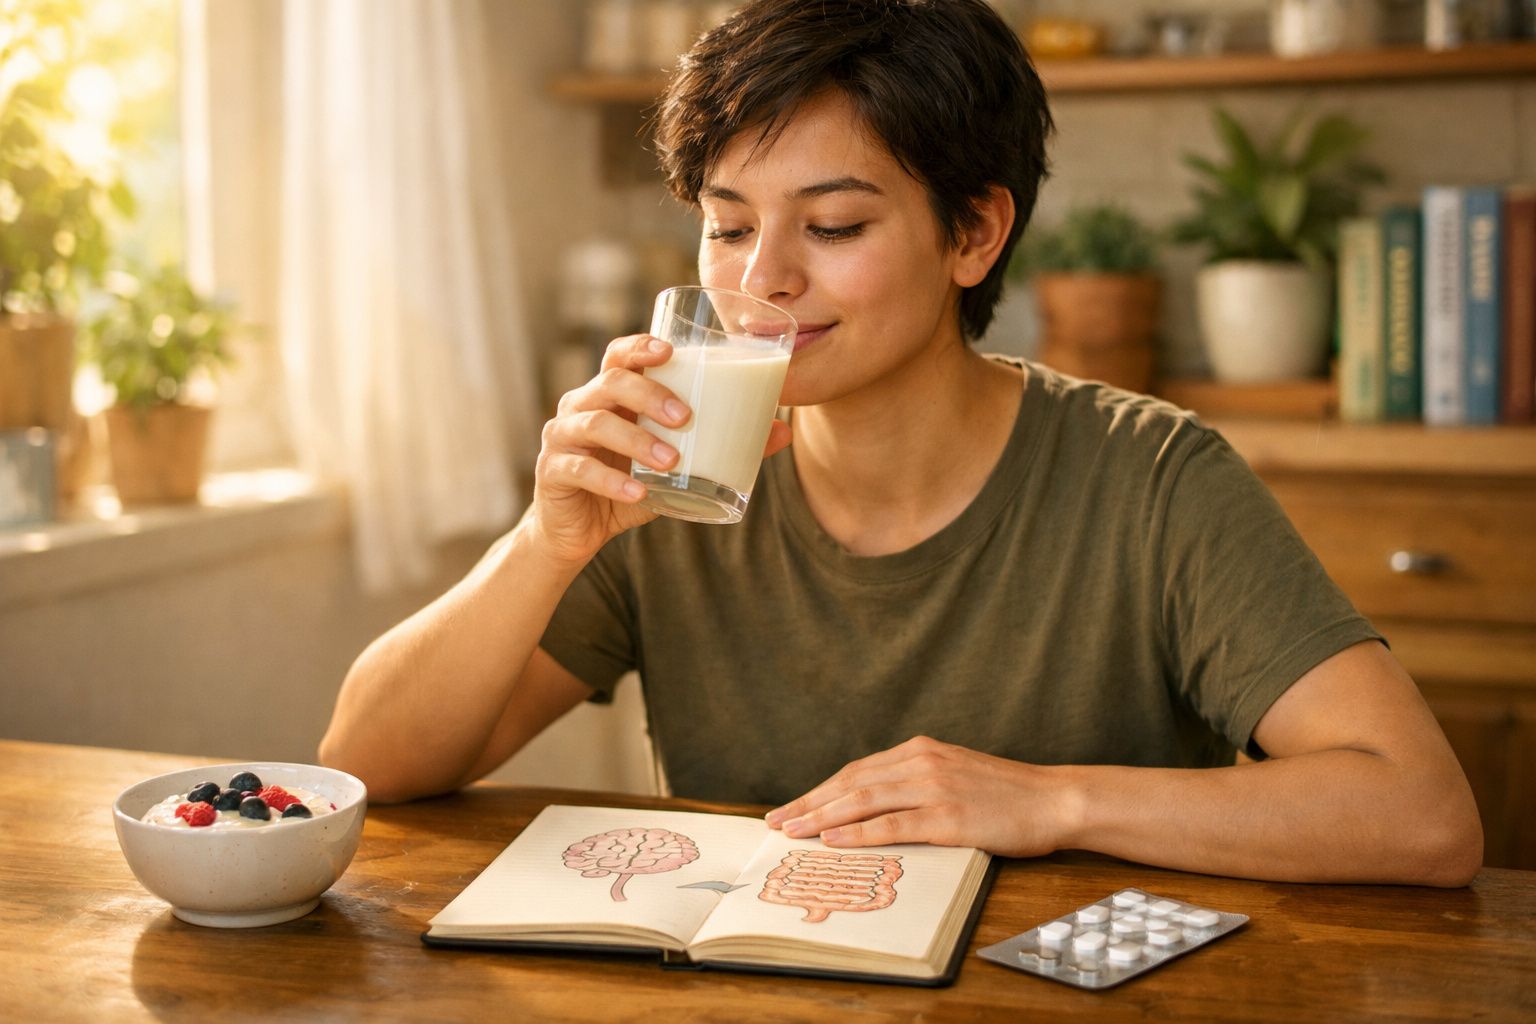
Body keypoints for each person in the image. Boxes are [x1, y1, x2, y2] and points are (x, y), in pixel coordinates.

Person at [320, 0, 1482, 886]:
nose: (762, 280)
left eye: (832, 225)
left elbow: (1422, 814)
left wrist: (1052, 803)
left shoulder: (1153, 478)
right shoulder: (678, 473)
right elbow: (368, 763)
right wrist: (545, 539)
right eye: (728, 227)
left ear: (974, 232)